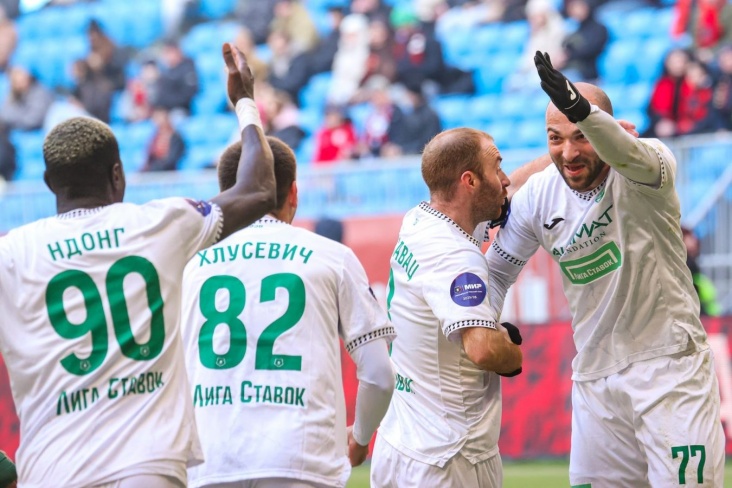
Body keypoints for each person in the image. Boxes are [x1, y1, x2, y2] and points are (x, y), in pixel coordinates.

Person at [0, 43, 276, 487]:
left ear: (50, 183)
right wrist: (244, 100)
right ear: (118, 174)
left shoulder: (11, 255)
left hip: (53, 471)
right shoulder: (162, 223)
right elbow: (259, 190)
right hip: (148, 467)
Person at [484, 51, 724, 486]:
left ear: (605, 127)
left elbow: (626, 151)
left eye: (582, 135)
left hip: (669, 368)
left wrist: (585, 111)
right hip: (595, 379)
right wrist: (478, 322)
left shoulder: (649, 165)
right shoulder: (539, 195)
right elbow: (496, 274)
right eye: (555, 138)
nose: (568, 152)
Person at [180, 136, 395, 488]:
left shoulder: (189, 262)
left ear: (226, 195)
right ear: (294, 192)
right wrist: (360, 436)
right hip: (302, 460)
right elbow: (379, 375)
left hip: (208, 462)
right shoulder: (333, 257)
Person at [371, 127, 522, 488]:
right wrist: (512, 352)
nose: (505, 180)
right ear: (469, 181)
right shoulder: (456, 255)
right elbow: (484, 349)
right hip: (450, 457)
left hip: (401, 441)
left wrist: (579, 147)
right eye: (497, 168)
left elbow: (514, 186)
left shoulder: (419, 220)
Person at [141, 107, 186, 172]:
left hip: (169, 171)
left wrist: (158, 166)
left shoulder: (175, 137)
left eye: (160, 117)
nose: (158, 121)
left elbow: (172, 159)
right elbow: (149, 158)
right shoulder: (155, 137)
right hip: (155, 170)